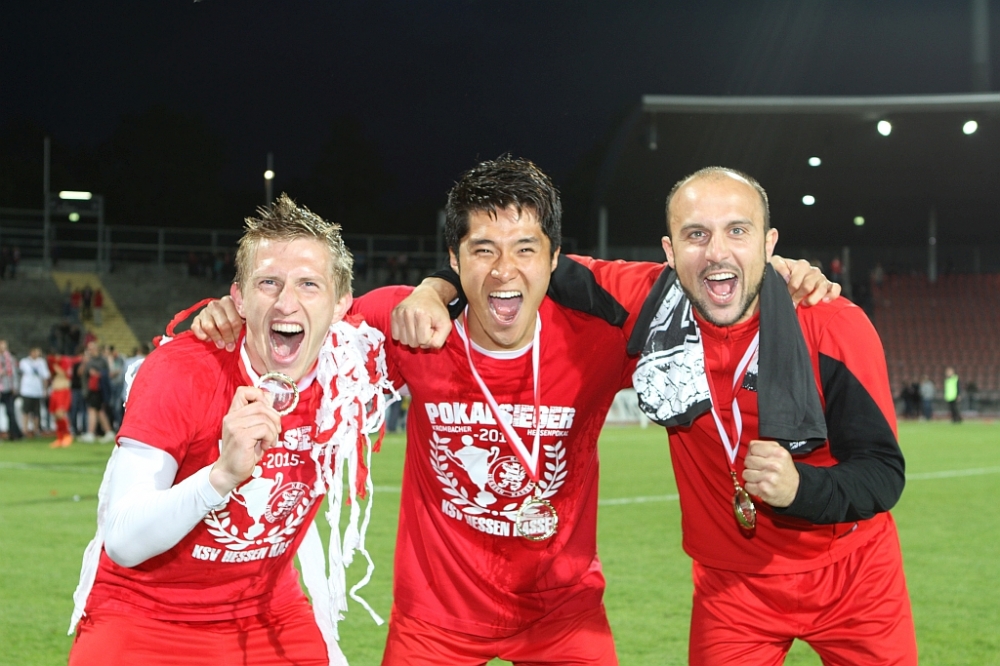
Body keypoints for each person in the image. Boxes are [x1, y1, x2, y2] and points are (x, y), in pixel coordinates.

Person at [194, 157, 839, 665]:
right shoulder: (411, 323)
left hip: (563, 613)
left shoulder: (600, 336)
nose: (505, 270)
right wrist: (222, 315)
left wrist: (776, 275)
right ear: (454, 260)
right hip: (437, 618)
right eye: (483, 250)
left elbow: (706, 290)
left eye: (526, 248)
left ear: (556, 259)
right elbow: (294, 322)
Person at [500, 167, 916, 664]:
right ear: (670, 251)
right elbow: (524, 264)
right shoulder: (652, 302)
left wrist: (800, 490)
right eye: (696, 234)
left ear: (769, 243)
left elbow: (882, 473)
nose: (717, 252)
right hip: (731, 589)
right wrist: (438, 287)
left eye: (737, 230)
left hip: (853, 575)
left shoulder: (832, 323)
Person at [68, 194, 395, 666]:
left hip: (267, 613)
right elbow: (122, 539)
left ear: (342, 303)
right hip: (145, 615)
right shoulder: (181, 370)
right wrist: (221, 475)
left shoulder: (354, 363)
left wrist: (438, 285)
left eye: (309, 284)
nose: (286, 302)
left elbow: (436, 306)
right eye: (268, 283)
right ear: (238, 297)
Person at [77, 341, 114, 443]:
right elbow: (80, 373)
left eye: (91, 348)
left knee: (92, 410)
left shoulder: (101, 360)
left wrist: (97, 373)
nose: (89, 350)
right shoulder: (88, 360)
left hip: (97, 389)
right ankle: (108, 431)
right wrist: (85, 362)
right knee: (99, 411)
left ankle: (91, 433)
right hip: (89, 389)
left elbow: (107, 373)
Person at [19, 347, 51, 438]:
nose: (37, 354)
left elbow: (45, 376)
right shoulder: (24, 361)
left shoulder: (41, 362)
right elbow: (27, 371)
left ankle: (36, 430)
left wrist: (45, 389)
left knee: (36, 412)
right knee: (26, 411)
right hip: (27, 390)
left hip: (37, 391)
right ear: (31, 352)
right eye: (35, 352)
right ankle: (25, 430)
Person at [48, 354, 74, 447]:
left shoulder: (65, 362)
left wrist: (55, 365)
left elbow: (63, 374)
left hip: (63, 392)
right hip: (55, 391)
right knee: (55, 415)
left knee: (60, 414)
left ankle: (67, 435)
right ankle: (59, 438)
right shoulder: (52, 363)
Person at [0, 339, 23, 441]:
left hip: (8, 388)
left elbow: (14, 375)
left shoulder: (10, 359)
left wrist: (15, 387)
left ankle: (14, 434)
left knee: (10, 412)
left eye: (4, 346)